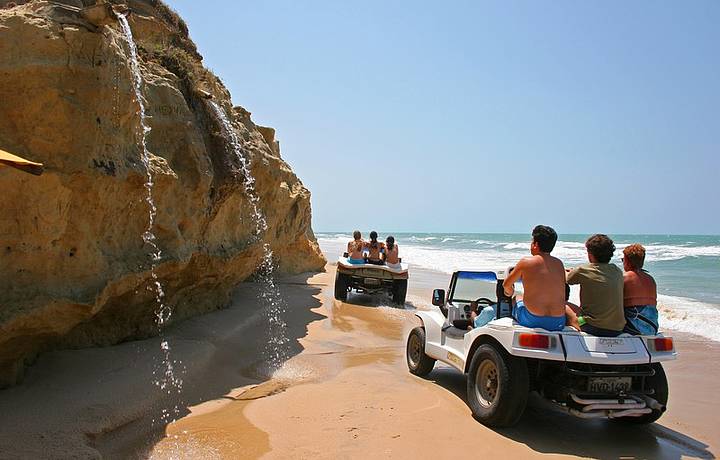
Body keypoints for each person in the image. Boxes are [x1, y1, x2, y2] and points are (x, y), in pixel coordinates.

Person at [503, 225, 567, 331]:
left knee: (517, 297)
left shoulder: (526, 262)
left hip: (532, 319)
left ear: (536, 245)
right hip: (558, 321)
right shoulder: (559, 264)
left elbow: (506, 285)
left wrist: (509, 292)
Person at [565, 234, 626, 336]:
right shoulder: (617, 271)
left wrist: (564, 270)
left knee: (563, 305)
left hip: (592, 327)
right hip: (618, 328)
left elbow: (566, 279)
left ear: (590, 254)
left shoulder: (583, 270)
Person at [622, 243, 659, 335]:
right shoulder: (651, 279)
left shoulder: (625, 277)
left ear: (627, 260)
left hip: (634, 326)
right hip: (652, 327)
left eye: (623, 259)